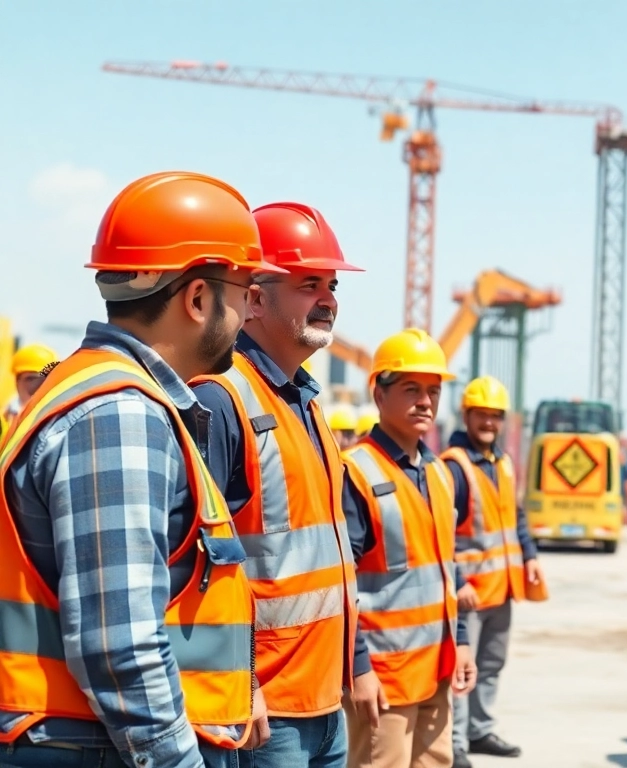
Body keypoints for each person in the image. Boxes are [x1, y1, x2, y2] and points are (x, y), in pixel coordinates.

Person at [0, 171, 278, 767]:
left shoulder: (111, 394)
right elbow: (118, 646)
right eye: (246, 289)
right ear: (198, 299)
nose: (250, 310)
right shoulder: (121, 413)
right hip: (95, 748)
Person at [194, 201, 366, 768]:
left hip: (325, 698)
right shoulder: (221, 399)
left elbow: (332, 559)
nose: (328, 299)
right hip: (266, 712)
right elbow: (198, 568)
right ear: (255, 299)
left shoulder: (308, 404)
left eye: (332, 285)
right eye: (308, 284)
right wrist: (240, 681)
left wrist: (357, 663)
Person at [342, 329, 479, 768]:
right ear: (379, 395)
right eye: (411, 389)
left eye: (433, 391)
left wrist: (461, 642)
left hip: (436, 669)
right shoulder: (356, 472)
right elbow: (341, 583)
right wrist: (358, 669)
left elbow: (445, 568)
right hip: (384, 678)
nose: (425, 402)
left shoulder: (439, 473)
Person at [441, 376, 544, 767]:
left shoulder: (503, 463)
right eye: (481, 414)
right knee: (462, 669)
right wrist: (458, 582)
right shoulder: (455, 468)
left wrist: (530, 555)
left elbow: (515, 515)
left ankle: (479, 730)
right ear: (467, 415)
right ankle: (455, 743)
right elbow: (440, 533)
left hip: (502, 588)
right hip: (468, 593)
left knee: (491, 664)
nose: (488, 422)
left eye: (495, 416)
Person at [3, 343, 59, 428]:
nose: (37, 385)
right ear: (17, 381)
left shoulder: (61, 415)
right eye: (31, 379)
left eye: (44, 380)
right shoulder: (5, 417)